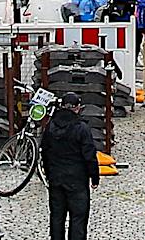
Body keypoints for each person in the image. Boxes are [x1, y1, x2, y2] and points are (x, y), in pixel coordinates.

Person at [42, 90, 101, 240]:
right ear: (77, 108)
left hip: (56, 178)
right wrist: (94, 177)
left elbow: (45, 152)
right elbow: (89, 156)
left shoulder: (50, 126)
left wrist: (49, 174)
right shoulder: (81, 128)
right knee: (78, 218)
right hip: (77, 179)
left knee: (56, 217)